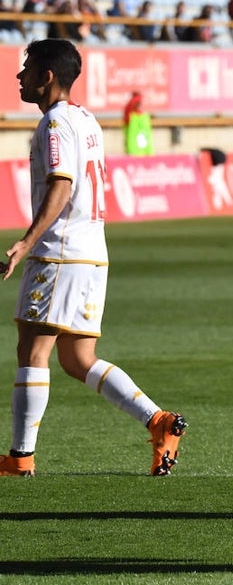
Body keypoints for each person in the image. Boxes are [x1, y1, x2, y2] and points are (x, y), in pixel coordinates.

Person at [0, 39, 186, 478]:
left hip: (60, 253)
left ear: (47, 77)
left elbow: (61, 185)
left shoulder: (54, 123)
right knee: (78, 359)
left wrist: (26, 242)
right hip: (92, 254)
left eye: (27, 69)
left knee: (32, 350)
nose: (19, 76)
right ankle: (158, 421)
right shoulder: (86, 120)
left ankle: (19, 457)